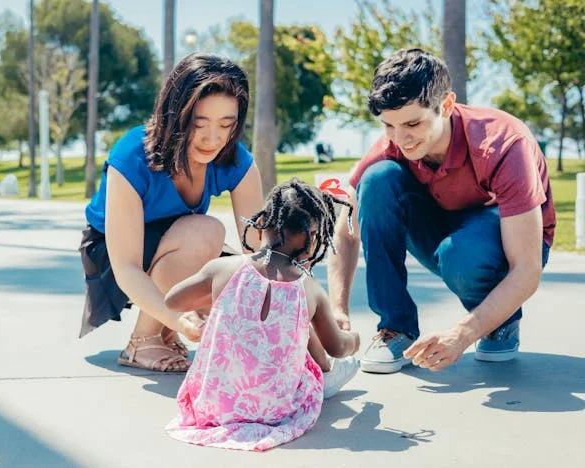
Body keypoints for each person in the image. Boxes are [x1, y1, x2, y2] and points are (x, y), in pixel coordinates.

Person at [326, 48, 556, 374]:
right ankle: (396, 329)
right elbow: (345, 229)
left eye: (412, 123)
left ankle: (499, 321)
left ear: (446, 105)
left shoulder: (504, 143)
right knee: (375, 182)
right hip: (445, 226)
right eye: (388, 125)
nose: (400, 138)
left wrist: (461, 335)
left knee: (461, 255)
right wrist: (338, 311)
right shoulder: (392, 144)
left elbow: (527, 268)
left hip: (504, 240)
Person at [78, 53, 264, 372]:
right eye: (199, 123)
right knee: (206, 231)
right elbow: (126, 267)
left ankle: (165, 334)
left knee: (232, 281)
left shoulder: (237, 160)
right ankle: (142, 341)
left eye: (226, 124)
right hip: (113, 255)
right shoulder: (132, 154)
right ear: (175, 115)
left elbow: (261, 253)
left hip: (179, 247)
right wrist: (176, 317)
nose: (213, 138)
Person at [164, 178, 361, 451]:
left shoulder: (222, 269)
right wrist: (355, 338)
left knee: (290, 326)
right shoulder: (309, 288)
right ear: (314, 237)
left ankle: (322, 374)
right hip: (276, 411)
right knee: (297, 325)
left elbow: (172, 300)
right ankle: (327, 377)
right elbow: (338, 347)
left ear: (262, 222)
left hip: (216, 407)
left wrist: (218, 304)